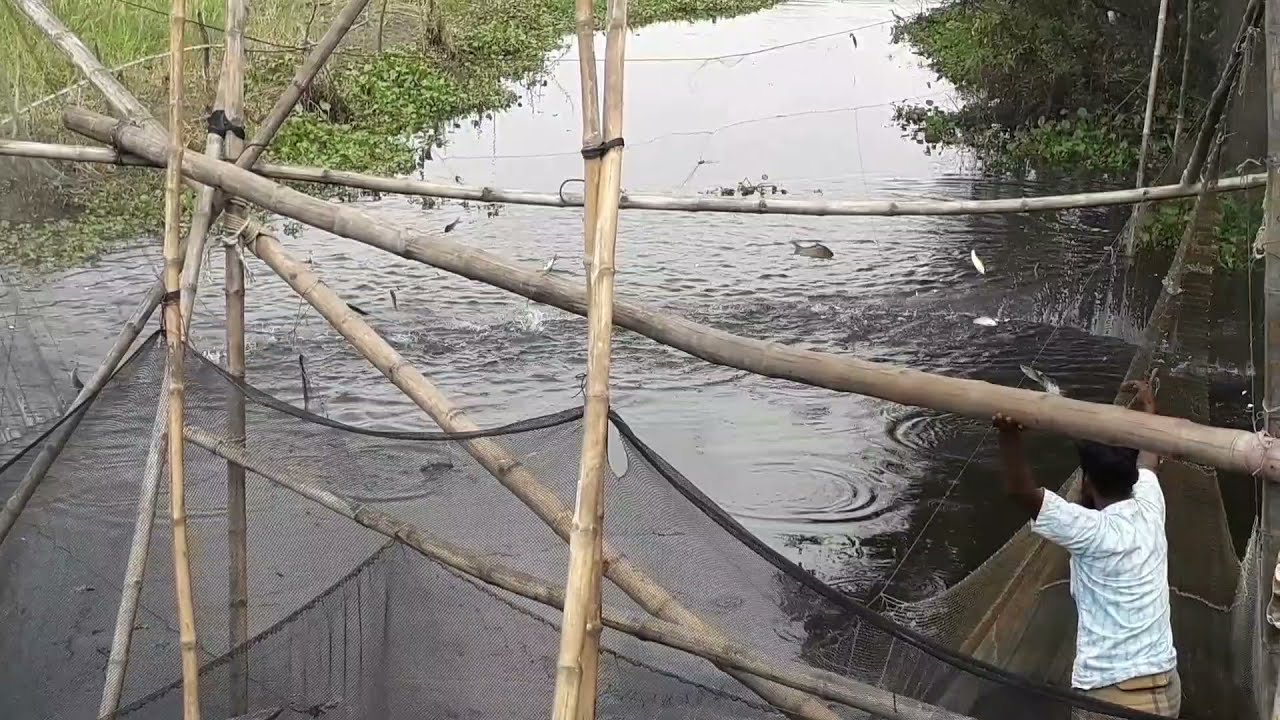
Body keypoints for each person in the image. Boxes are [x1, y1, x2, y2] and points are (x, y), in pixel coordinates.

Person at [991, 379, 1179, 718]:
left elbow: (1022, 492)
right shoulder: (1151, 505)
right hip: (1166, 690)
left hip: (1113, 699)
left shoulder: (1090, 529)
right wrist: (1149, 411)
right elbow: (1149, 460)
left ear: (1087, 483)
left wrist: (1008, 433)